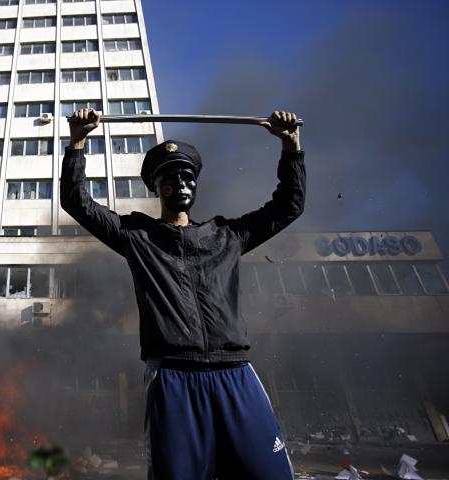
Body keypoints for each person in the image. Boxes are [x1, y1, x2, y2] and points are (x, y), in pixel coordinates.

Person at [60, 109, 305, 479]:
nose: (181, 182)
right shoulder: (136, 236)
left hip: (235, 374)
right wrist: (78, 141)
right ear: (157, 188)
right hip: (173, 379)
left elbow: (288, 205)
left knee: (268, 473)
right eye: (170, 176)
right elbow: (77, 202)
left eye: (188, 174)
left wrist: (291, 146)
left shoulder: (227, 235)